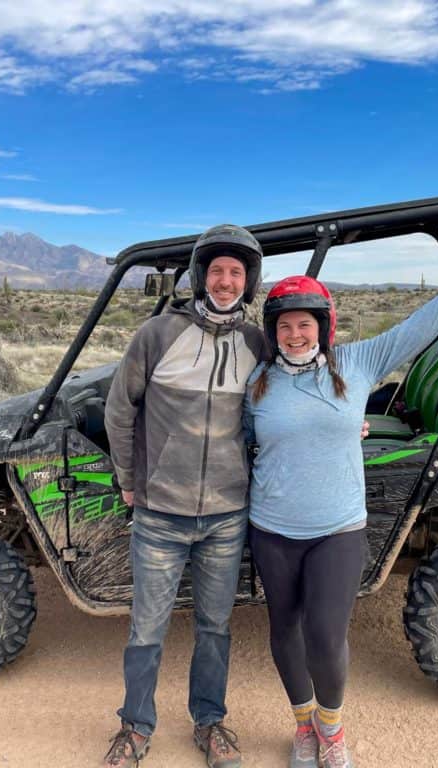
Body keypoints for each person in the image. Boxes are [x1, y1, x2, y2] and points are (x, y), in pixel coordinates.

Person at [244, 247, 438, 768]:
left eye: (305, 324)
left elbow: (418, 329)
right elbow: (233, 440)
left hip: (337, 529)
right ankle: (303, 726)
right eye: (285, 326)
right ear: (273, 330)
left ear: (324, 326)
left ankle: (331, 729)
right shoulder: (257, 383)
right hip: (272, 528)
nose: (295, 334)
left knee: (325, 635)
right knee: (285, 630)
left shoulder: (357, 362)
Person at [102, 224, 266, 768]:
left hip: (226, 513)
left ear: (248, 281)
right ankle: (135, 726)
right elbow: (120, 410)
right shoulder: (158, 334)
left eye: (236, 272)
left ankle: (211, 722)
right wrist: (128, 479)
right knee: (146, 628)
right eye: (217, 270)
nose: (225, 281)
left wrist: (348, 421)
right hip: (160, 513)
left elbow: (291, 398)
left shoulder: (256, 343)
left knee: (215, 628)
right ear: (201, 275)